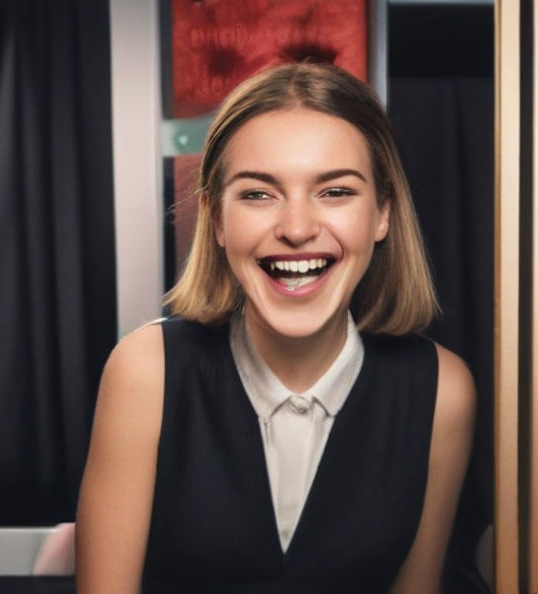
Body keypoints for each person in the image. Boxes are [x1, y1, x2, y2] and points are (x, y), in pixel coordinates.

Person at [75, 62, 475, 594]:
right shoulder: (146, 371)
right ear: (216, 218)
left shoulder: (442, 390)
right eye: (258, 194)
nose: (296, 229)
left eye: (335, 191)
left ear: (382, 214)